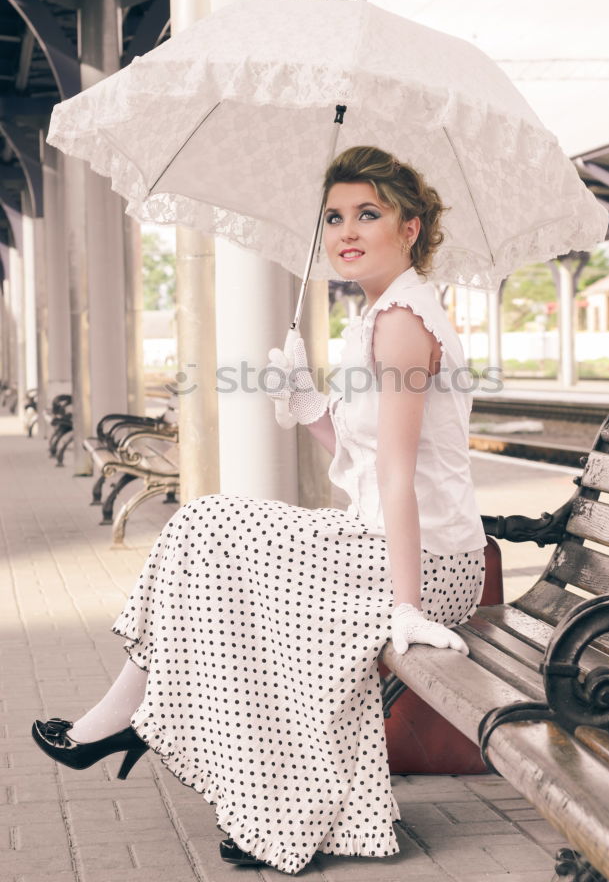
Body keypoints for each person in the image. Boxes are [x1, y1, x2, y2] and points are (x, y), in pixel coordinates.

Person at [31, 146, 487, 876]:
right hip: (389, 541)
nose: (345, 229)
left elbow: (399, 475)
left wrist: (406, 605)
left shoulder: (402, 320)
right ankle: (167, 742)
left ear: (411, 226)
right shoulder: (378, 316)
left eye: (368, 213)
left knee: (209, 531)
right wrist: (308, 406)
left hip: (423, 567)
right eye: (334, 216)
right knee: (206, 534)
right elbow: (370, 460)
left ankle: (133, 722)